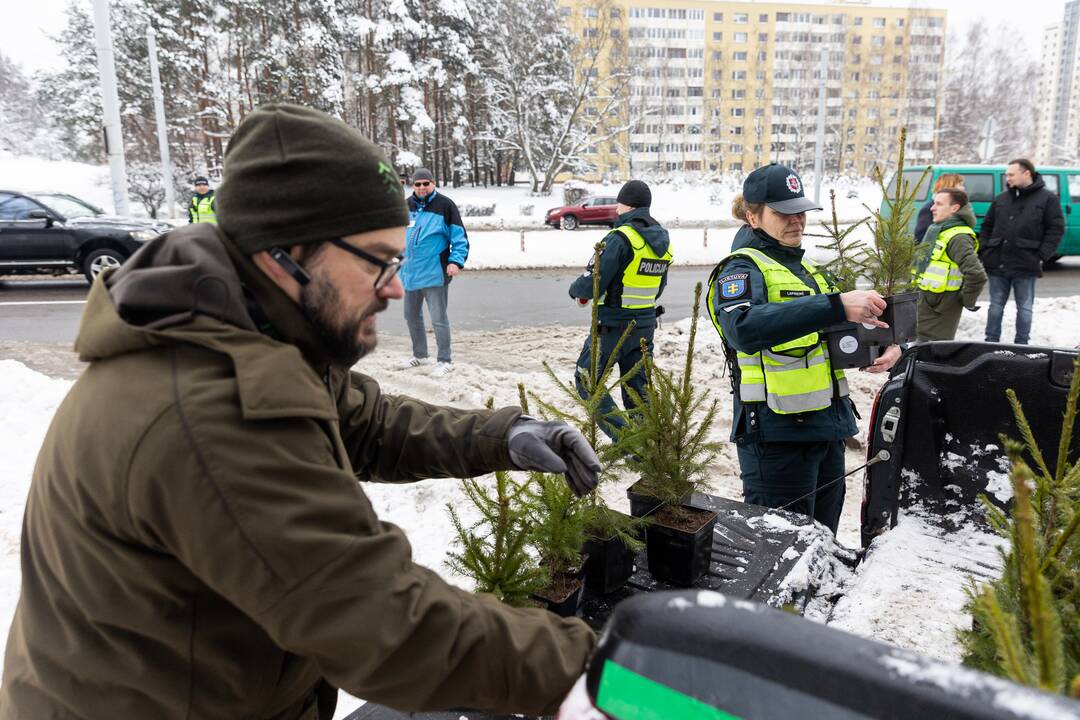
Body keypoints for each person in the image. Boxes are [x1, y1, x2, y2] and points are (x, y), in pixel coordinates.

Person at [0, 104, 602, 720]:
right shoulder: (210, 409)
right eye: (378, 260)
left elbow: (369, 423)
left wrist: (506, 435)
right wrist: (602, 676)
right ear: (284, 251)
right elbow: (380, 623)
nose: (395, 287)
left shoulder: (252, 331)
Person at [706, 163, 900, 535]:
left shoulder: (805, 269)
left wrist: (885, 346)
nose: (796, 220)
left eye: (800, 211)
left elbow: (833, 334)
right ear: (753, 215)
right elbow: (743, 329)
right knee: (776, 548)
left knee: (820, 541)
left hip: (825, 429)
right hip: (776, 436)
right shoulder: (741, 269)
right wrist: (835, 305)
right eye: (783, 213)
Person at [568, 179, 672, 442]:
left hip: (612, 327)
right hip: (645, 326)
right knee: (638, 389)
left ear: (626, 206)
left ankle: (629, 443)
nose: (616, 210)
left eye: (619, 204)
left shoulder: (620, 238)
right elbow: (657, 288)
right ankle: (651, 450)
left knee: (587, 382)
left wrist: (576, 291)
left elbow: (592, 282)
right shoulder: (663, 241)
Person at [979, 158, 1064, 345]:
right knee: (995, 307)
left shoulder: (1047, 198)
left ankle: (1021, 345)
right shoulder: (1001, 198)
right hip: (997, 262)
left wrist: (1041, 255)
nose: (1007, 177)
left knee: (1025, 308)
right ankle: (990, 343)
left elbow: (1056, 229)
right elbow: (986, 227)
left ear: (1026, 173)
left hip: (1026, 263)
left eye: (1011, 174)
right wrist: (985, 249)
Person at [399, 168, 468, 377]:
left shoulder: (445, 206)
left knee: (438, 318)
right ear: (413, 186)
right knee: (411, 316)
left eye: (425, 184)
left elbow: (459, 238)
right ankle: (420, 355)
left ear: (433, 184)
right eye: (417, 184)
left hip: (434, 272)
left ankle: (444, 360)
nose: (421, 188)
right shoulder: (406, 206)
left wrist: (455, 261)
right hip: (410, 273)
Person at [915, 188, 987, 342]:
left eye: (939, 204)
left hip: (939, 314)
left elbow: (976, 275)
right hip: (927, 307)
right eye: (934, 203)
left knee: (932, 357)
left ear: (954, 208)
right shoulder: (940, 230)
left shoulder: (958, 237)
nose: (932, 208)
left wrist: (965, 300)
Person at [913, 173, 963, 243]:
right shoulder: (929, 209)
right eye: (960, 185)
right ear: (950, 186)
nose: (963, 188)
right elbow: (920, 238)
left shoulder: (958, 206)